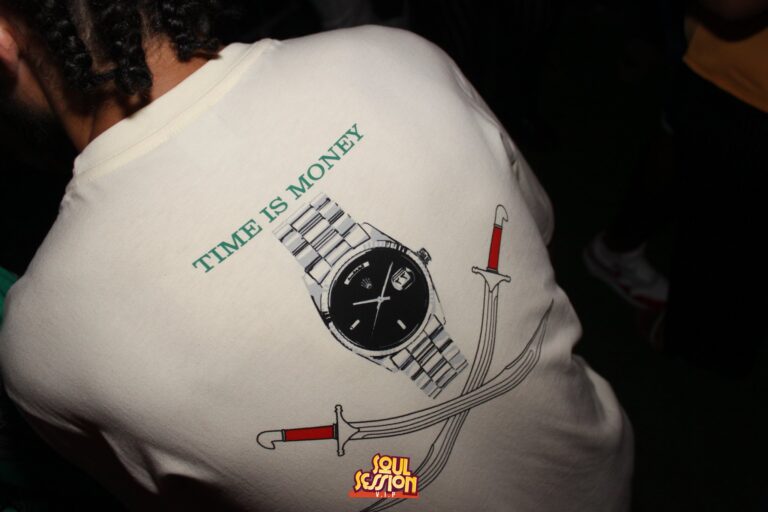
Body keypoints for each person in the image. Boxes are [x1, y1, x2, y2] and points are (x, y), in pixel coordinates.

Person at [0, 2, 633, 510]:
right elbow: (534, 240)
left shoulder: (47, 338)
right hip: (605, 472)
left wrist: (383, 474)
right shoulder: (400, 60)